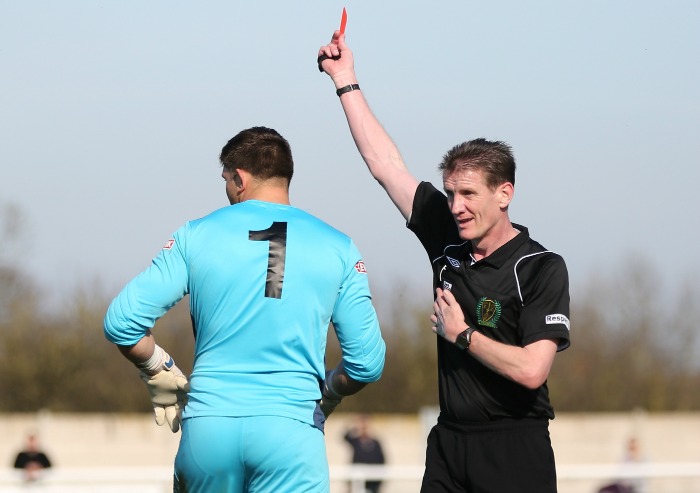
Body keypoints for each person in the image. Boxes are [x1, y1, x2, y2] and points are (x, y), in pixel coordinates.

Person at [318, 32, 571, 493]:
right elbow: (385, 163)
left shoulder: (540, 266)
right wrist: (345, 78)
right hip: (449, 445)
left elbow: (533, 370)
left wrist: (464, 336)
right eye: (451, 192)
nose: (455, 205)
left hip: (516, 447)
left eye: (468, 194)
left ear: (504, 194)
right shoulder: (447, 238)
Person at [104, 126, 386, 493]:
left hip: (209, 430)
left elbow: (122, 323)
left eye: (225, 180)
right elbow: (367, 363)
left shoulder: (196, 234)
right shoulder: (339, 247)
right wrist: (327, 392)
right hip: (289, 433)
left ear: (239, 178)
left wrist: (159, 369)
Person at [343, 414, 385, 493]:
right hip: (356, 479)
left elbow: (382, 460)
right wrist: (355, 426)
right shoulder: (356, 441)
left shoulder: (375, 443)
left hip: (372, 481)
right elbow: (345, 436)